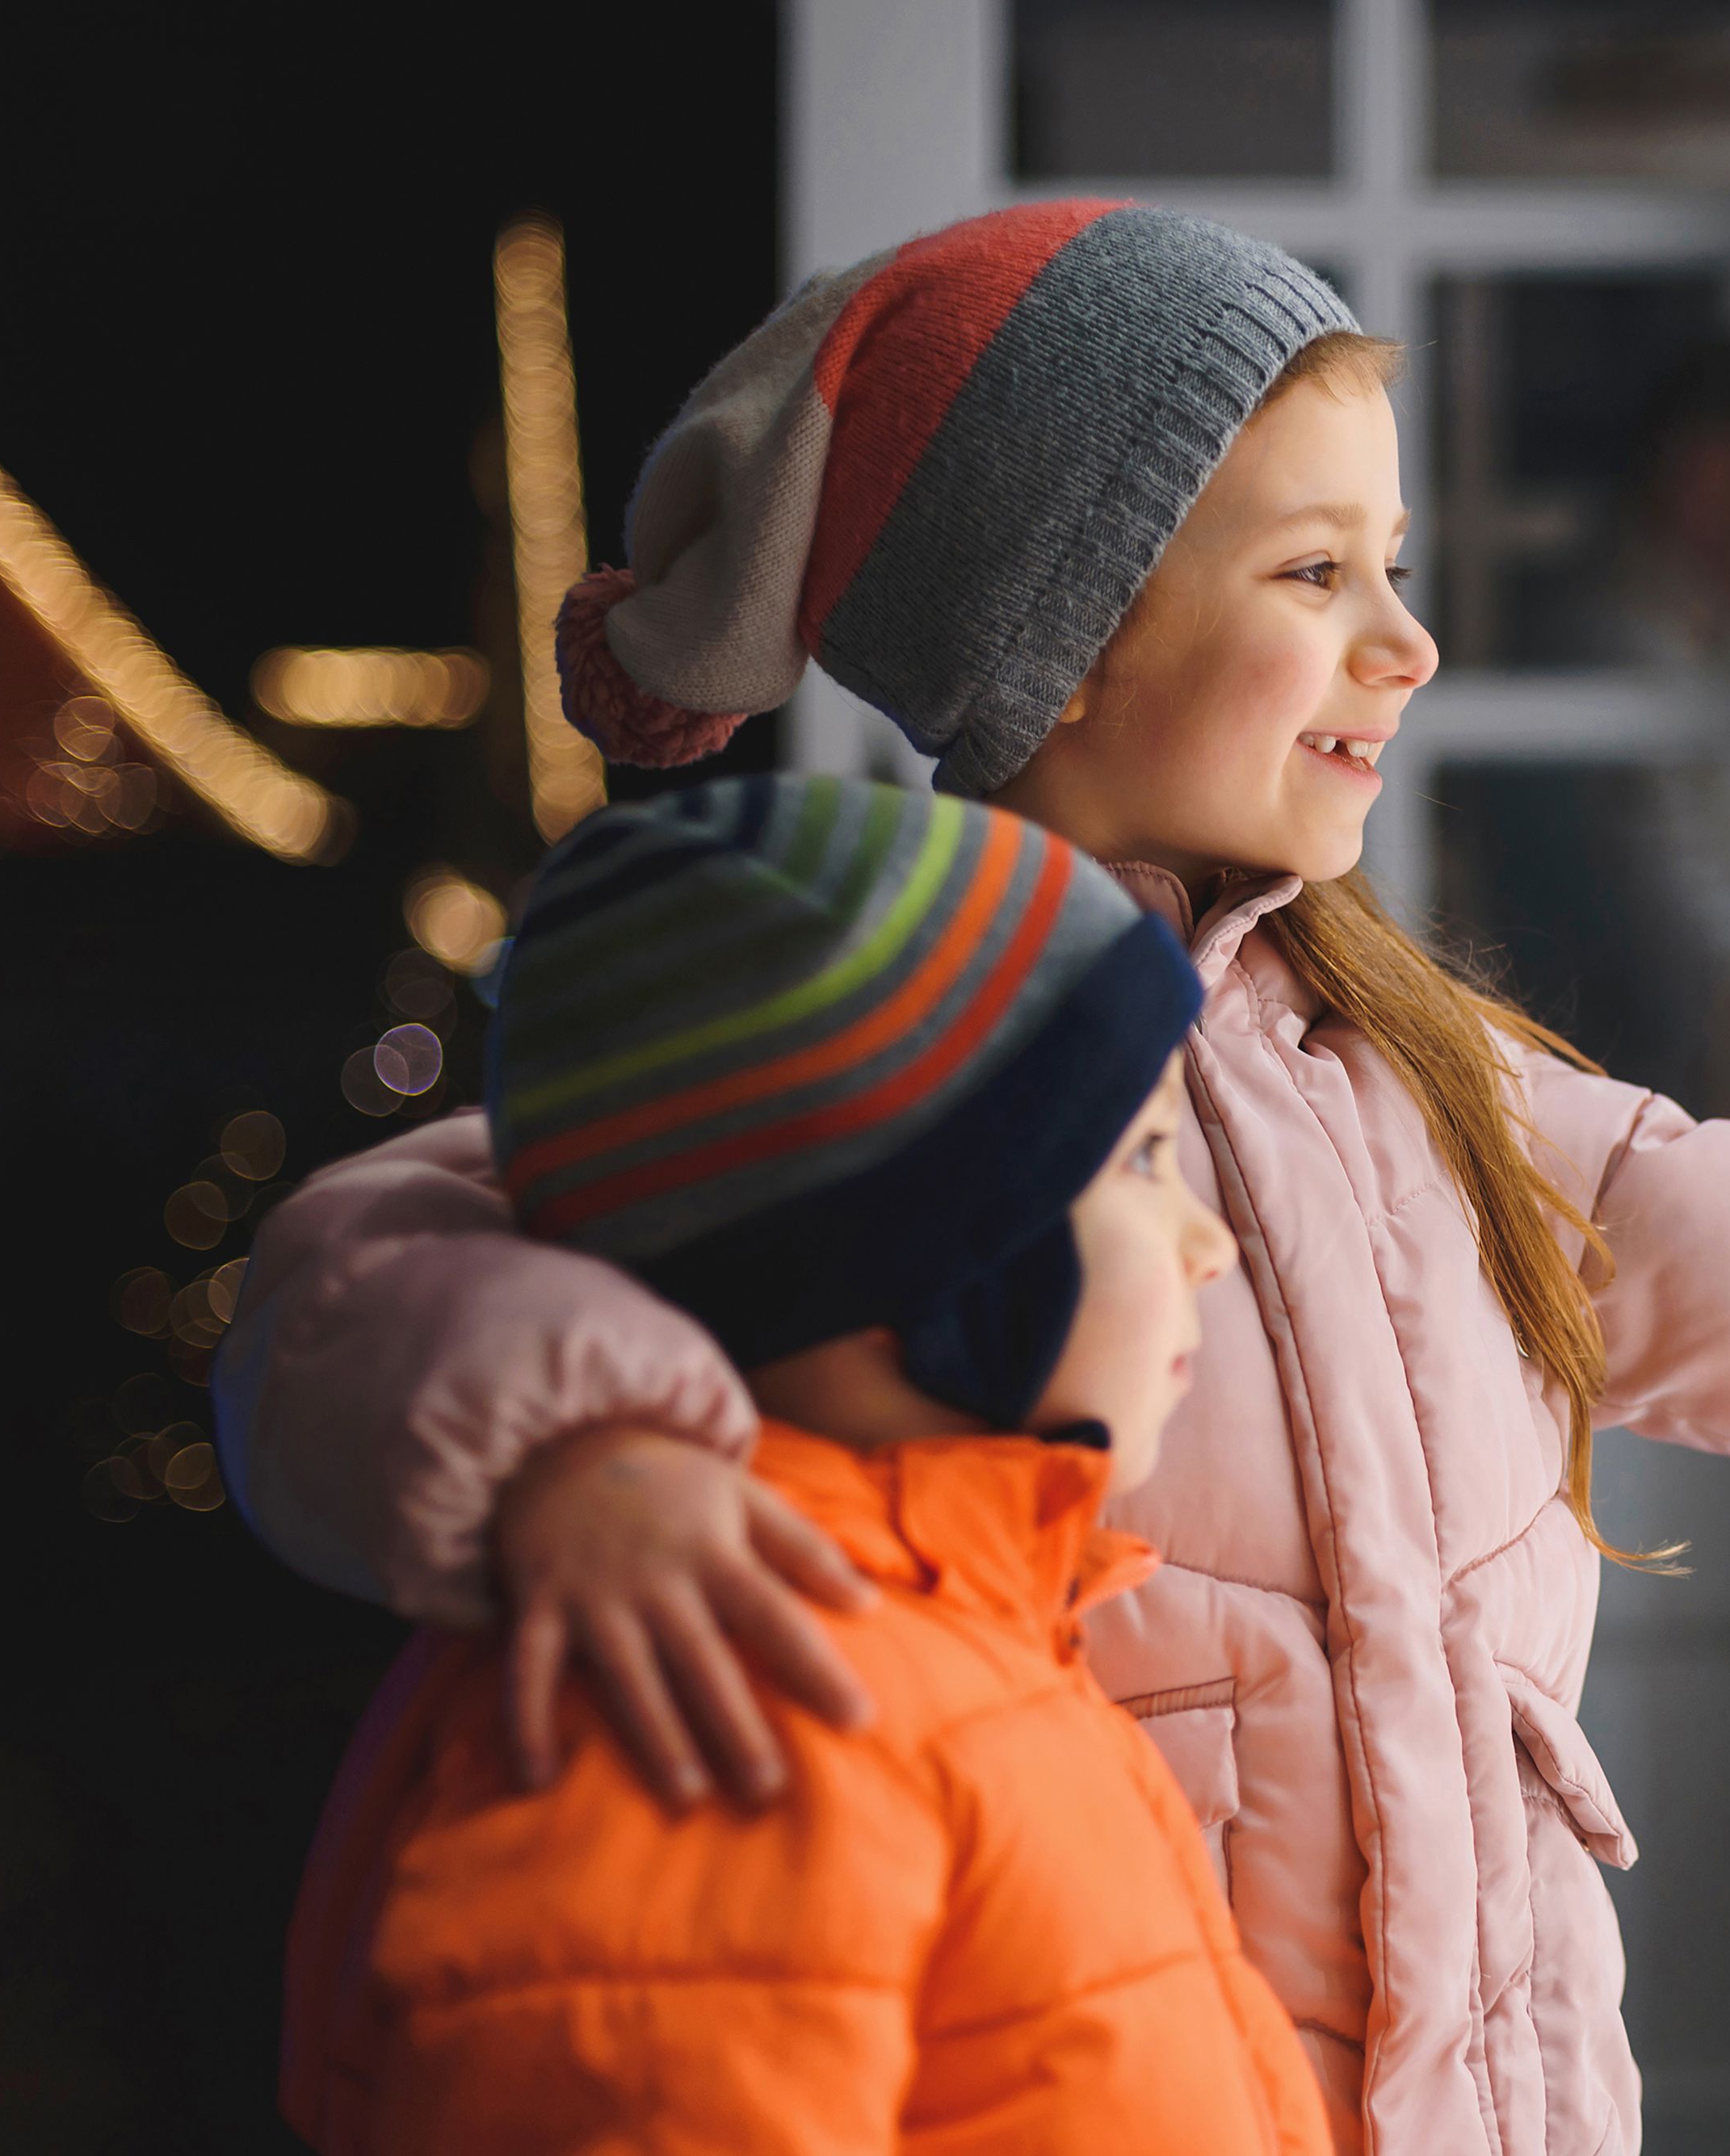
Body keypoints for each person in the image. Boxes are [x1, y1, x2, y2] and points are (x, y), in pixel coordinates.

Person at [219, 201, 1730, 2155]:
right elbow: (365, 1264)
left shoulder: (1411, 1072)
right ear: (1058, 640)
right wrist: (585, 1448)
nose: (1412, 643)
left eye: (1398, 566)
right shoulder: (886, 1040)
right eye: (1315, 574)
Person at [276, 773, 1325, 2154]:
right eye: (1141, 1161)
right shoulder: (729, 1676)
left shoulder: (942, 1638)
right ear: (927, 1247)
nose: (1210, 1243)